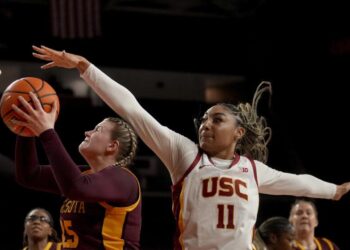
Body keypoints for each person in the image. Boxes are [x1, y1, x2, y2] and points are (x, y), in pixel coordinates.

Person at [31, 45, 350, 250]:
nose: (206, 124)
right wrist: (86, 67)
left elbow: (299, 182)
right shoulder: (184, 153)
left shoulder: (253, 170)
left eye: (217, 120)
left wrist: (335, 190)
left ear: (238, 132)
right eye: (204, 119)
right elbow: (133, 110)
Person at [12, 92, 142, 249]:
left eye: (97, 129)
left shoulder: (124, 180)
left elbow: (76, 187)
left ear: (112, 146)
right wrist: (26, 129)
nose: (87, 133)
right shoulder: (84, 176)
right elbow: (29, 175)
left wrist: (47, 132)